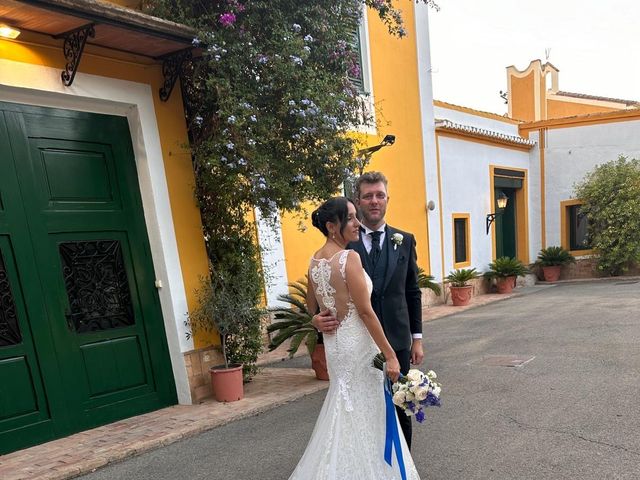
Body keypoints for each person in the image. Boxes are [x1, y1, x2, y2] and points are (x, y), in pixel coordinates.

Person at [289, 197, 420, 480]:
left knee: (347, 407)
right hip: (358, 347)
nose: (357, 223)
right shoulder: (350, 258)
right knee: (366, 409)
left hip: (337, 348)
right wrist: (390, 354)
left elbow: (312, 308)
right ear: (331, 226)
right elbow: (365, 312)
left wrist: (315, 320)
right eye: (350, 218)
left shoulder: (314, 261)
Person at [312, 171, 423, 449]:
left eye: (379, 195)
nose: (374, 201)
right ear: (358, 201)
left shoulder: (405, 240)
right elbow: (320, 300)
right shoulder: (348, 244)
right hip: (360, 346)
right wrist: (315, 319)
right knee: (366, 410)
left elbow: (412, 290)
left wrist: (417, 337)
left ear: (387, 199)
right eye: (367, 196)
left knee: (400, 408)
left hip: (396, 340)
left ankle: (398, 469)